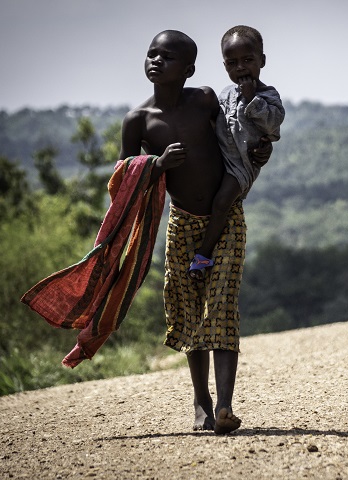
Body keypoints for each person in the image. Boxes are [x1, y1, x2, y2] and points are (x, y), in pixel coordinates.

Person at [119, 29, 270, 435]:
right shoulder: (138, 121)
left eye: (166, 57)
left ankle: (224, 405)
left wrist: (262, 147)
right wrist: (157, 165)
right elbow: (121, 180)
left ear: (188, 69)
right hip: (183, 224)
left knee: (220, 305)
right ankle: (201, 403)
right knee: (188, 310)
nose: (155, 61)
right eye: (151, 54)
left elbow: (237, 133)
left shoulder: (204, 99)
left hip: (227, 221)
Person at [188, 25, 285, 280]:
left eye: (248, 60)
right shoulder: (225, 94)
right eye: (232, 63)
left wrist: (252, 99)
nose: (240, 68)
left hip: (241, 164)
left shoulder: (268, 95)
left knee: (222, 202)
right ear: (225, 66)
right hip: (219, 157)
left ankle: (203, 255)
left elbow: (273, 127)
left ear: (262, 60)